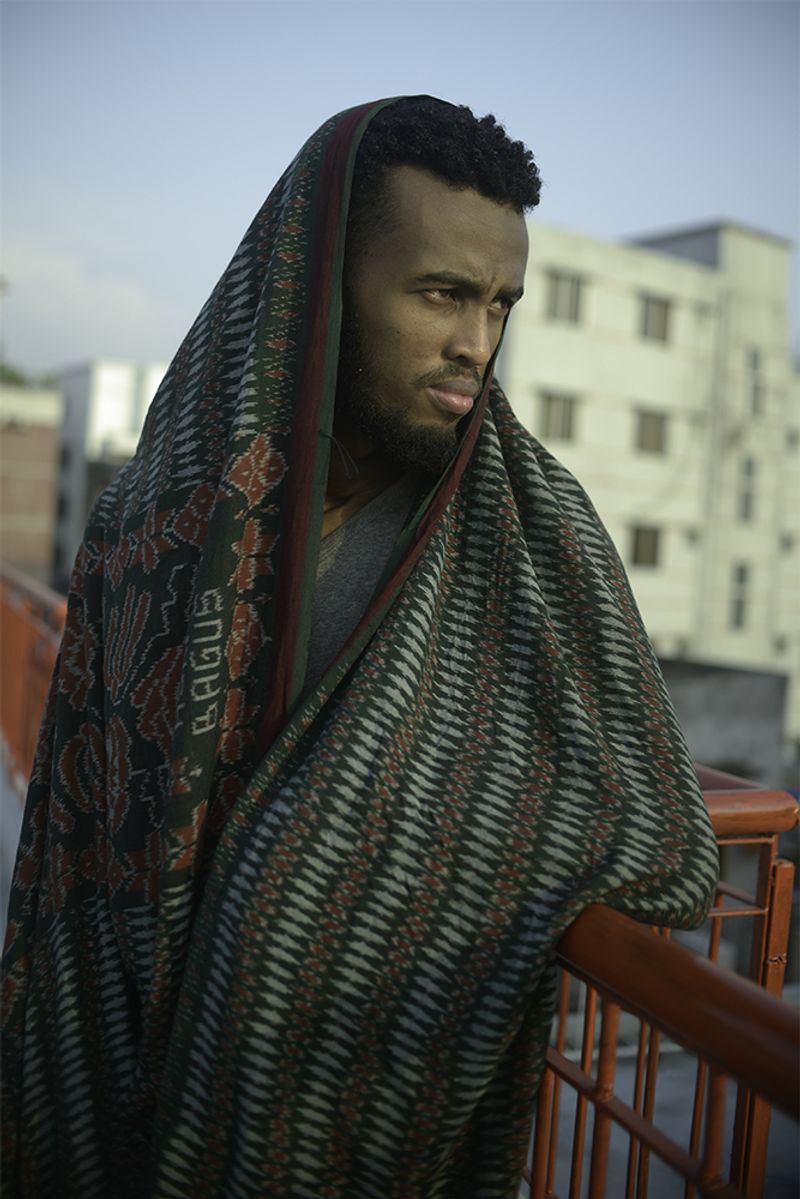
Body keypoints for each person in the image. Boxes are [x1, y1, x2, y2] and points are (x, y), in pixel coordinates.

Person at [2, 96, 719, 1199]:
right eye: (439, 293)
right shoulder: (157, 524)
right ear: (318, 286)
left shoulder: (536, 537)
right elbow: (77, 837)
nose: (473, 342)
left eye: (498, 305)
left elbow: (658, 831)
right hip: (111, 1081)